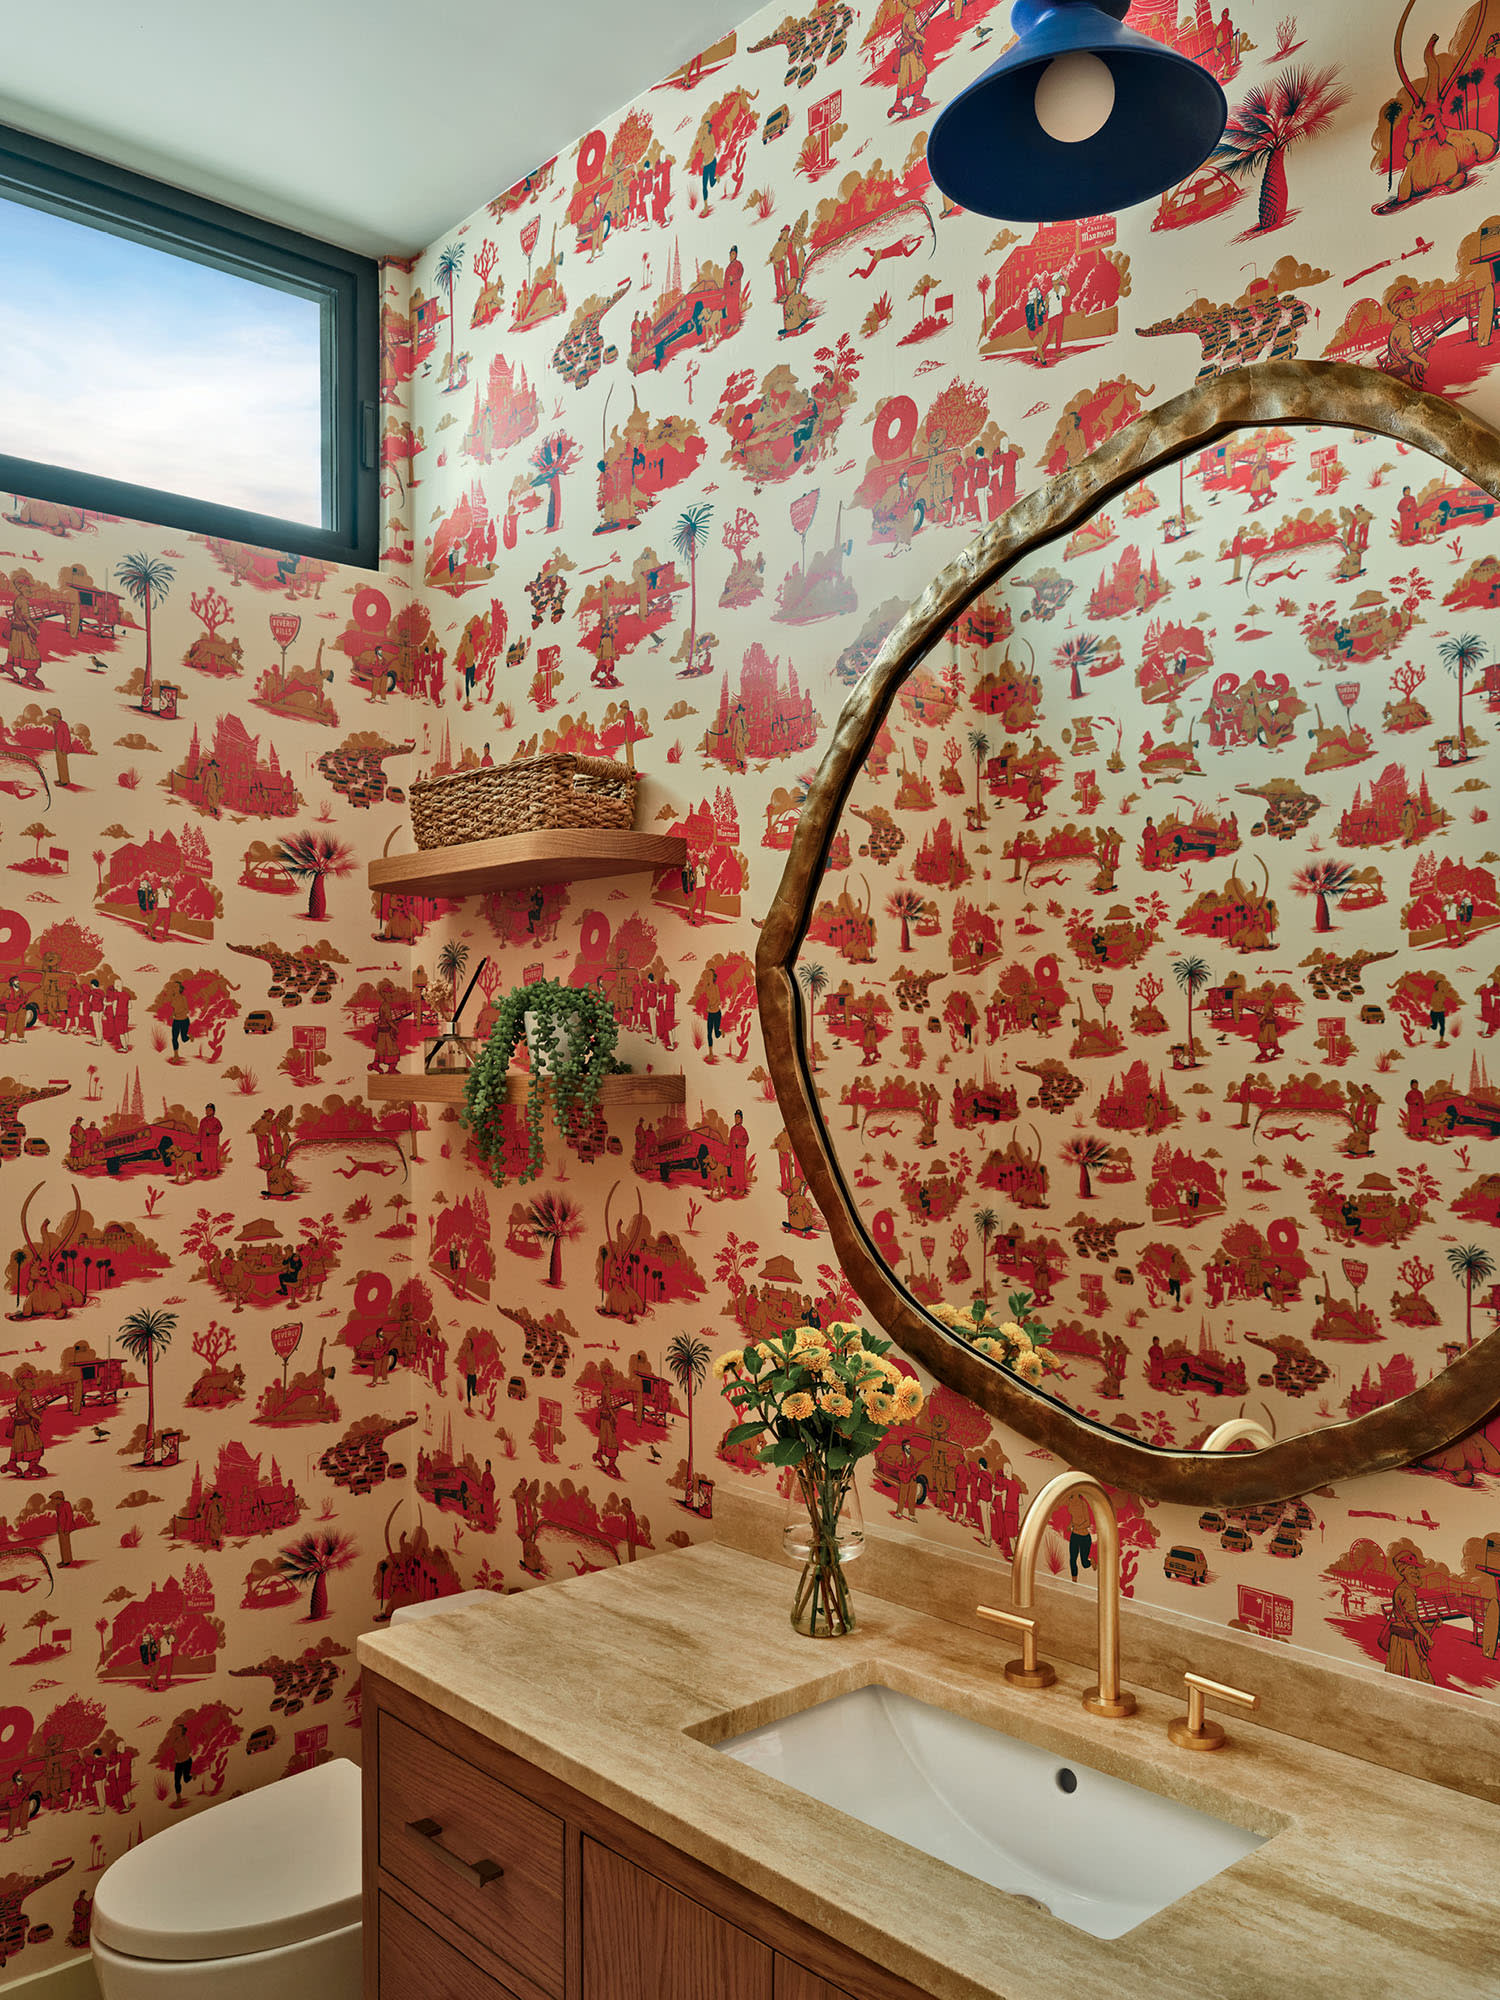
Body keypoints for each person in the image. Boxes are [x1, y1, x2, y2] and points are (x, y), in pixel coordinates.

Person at [1067, 1491, 1094, 1580]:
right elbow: (1073, 1517)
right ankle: (1074, 1580)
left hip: (1084, 1537)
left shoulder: (1083, 1504)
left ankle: (1092, 1562)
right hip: (1074, 1535)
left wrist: (1077, 1527)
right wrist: (1070, 1524)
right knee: (1072, 1559)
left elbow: (1088, 1523)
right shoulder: (1070, 1502)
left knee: (1084, 1564)